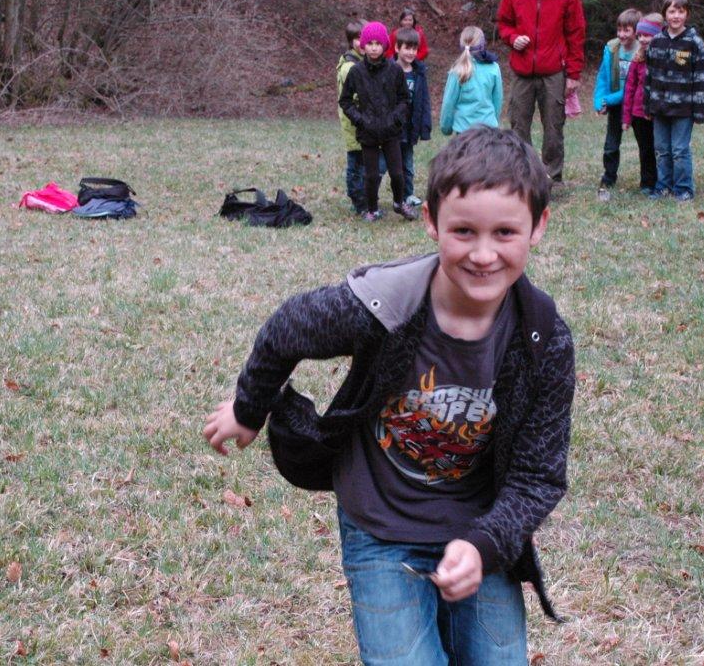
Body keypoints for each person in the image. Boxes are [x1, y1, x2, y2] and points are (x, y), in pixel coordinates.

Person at [204, 126, 575, 664]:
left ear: (538, 226)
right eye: (464, 231)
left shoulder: (544, 338)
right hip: (380, 526)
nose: (483, 254)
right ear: (431, 220)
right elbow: (288, 328)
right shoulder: (383, 305)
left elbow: (538, 476)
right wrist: (247, 409)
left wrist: (484, 545)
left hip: (482, 527)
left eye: (505, 233)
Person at [497, 0, 586, 187]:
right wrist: (513, 38)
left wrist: (573, 74)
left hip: (554, 71)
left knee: (554, 126)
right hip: (522, 71)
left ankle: (552, 178)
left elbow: (576, 34)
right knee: (518, 125)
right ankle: (522, 175)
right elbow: (504, 24)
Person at [339, 21, 418, 221]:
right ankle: (372, 209)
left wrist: (396, 119)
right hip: (368, 132)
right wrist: (360, 120)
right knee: (372, 175)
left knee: (397, 173)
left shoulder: (395, 70)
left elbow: (405, 99)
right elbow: (345, 101)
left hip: (391, 131)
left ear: (385, 45)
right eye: (370, 43)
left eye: (378, 43)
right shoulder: (356, 72)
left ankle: (399, 203)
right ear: (363, 45)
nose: (374, 47)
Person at [644, 0, 704, 202]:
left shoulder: (694, 42)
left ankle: (683, 188)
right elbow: (649, 76)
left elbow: (701, 79)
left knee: (679, 150)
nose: (676, 16)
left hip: (684, 109)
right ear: (665, 14)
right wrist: (647, 105)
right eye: (672, 11)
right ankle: (663, 186)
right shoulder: (656, 42)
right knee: (662, 149)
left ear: (687, 14)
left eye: (681, 11)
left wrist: (699, 111)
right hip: (659, 107)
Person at [593, 8, 642, 201]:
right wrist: (600, 101)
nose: (621, 34)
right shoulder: (612, 48)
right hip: (615, 105)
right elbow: (603, 77)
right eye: (619, 29)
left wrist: (609, 99)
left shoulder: (642, 50)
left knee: (645, 144)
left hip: (636, 103)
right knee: (611, 144)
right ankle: (609, 177)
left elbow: (633, 86)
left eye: (626, 30)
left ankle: (649, 180)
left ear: (636, 31)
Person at [621, 13, 664, 197]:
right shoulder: (637, 60)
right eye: (640, 35)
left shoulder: (664, 60)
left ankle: (664, 181)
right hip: (639, 114)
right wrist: (626, 118)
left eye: (647, 35)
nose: (643, 39)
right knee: (645, 149)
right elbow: (629, 89)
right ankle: (647, 182)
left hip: (659, 113)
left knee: (661, 149)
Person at [393, 27, 432, 210]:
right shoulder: (390, 70)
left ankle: (407, 194)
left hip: (410, 128)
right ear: (397, 48)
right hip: (391, 128)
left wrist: (424, 126)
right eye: (407, 48)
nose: (411, 52)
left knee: (407, 165)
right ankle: (372, 196)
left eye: (414, 49)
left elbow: (424, 101)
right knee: (384, 165)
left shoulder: (419, 73)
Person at [439, 26, 504, 136]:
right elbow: (498, 99)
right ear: (482, 44)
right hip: (489, 130)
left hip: (463, 132)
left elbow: (449, 102)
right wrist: (494, 120)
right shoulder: (494, 68)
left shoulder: (457, 70)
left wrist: (446, 127)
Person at [337, 19, 370, 215]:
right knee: (356, 165)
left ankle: (364, 198)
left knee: (365, 163)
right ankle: (359, 201)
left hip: (364, 124)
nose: (363, 43)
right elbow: (355, 97)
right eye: (359, 39)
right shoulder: (350, 67)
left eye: (367, 39)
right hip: (355, 125)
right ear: (351, 41)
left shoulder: (362, 62)